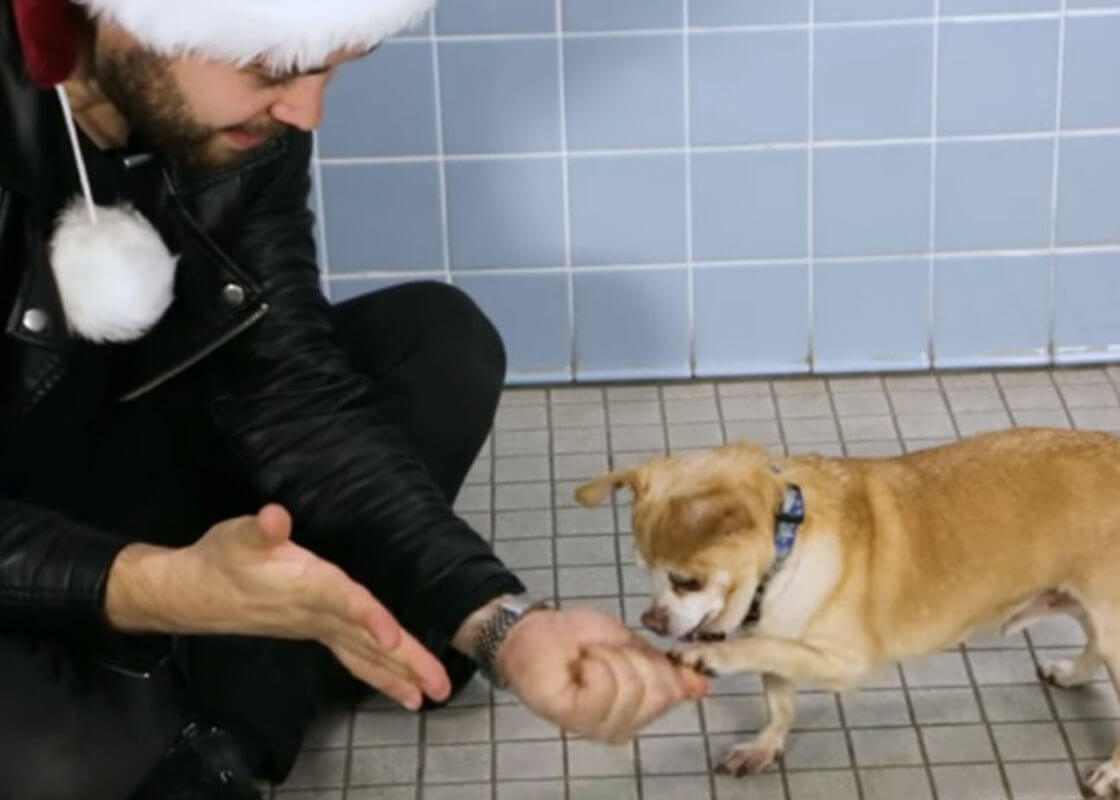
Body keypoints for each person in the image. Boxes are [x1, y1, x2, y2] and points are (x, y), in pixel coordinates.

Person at [0, 1, 708, 797]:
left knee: (437, 345)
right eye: (270, 68)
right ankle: (253, 681)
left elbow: (289, 389)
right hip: (28, 544)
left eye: (331, 63)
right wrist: (152, 586)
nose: (307, 111)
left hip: (140, 453)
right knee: (49, 770)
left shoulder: (246, 122)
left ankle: (233, 703)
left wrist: (504, 625)